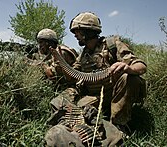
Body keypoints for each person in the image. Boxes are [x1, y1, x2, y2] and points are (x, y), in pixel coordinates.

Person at [44, 12, 147, 146]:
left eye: (77, 32)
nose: (75, 36)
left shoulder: (111, 45)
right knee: (73, 107)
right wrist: (60, 62)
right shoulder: (84, 55)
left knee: (129, 78)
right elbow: (72, 76)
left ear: (87, 32)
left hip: (116, 93)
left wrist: (128, 68)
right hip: (95, 96)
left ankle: (120, 124)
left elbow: (141, 66)